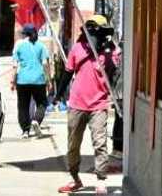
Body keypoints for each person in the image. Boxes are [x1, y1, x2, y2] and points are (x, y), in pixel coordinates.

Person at [57, 16, 116, 196]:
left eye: (100, 31)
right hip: (77, 104)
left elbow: (116, 75)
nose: (95, 35)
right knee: (73, 144)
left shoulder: (110, 52)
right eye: (92, 31)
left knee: (100, 143)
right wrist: (58, 94)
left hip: (99, 104)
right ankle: (75, 178)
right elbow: (67, 74)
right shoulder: (77, 48)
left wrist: (110, 51)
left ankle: (100, 181)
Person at [11, 24, 51, 138]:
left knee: (23, 105)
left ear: (24, 34)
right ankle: (36, 120)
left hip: (22, 80)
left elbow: (15, 65)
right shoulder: (41, 46)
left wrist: (13, 81)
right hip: (38, 80)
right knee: (42, 102)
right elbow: (44, 64)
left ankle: (25, 131)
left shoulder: (19, 46)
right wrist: (48, 80)